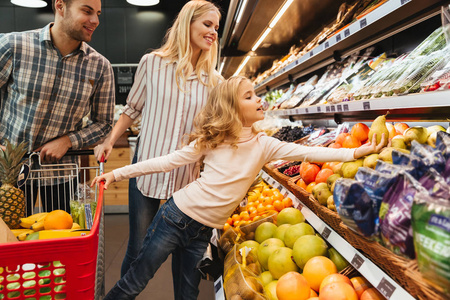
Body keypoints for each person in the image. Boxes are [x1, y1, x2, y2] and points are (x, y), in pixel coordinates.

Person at [91, 76, 387, 300]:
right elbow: (166, 162)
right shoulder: (213, 140)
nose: (259, 99)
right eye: (249, 96)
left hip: (202, 233)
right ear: (232, 107)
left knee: (187, 292)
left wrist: (355, 153)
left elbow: (311, 154)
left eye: (256, 94)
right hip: (175, 217)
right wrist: (117, 174)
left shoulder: (264, 144)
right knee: (138, 279)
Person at [93, 0, 223, 278]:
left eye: (216, 27)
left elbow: (214, 129)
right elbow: (132, 109)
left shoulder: (215, 82)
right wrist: (109, 140)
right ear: (187, 23)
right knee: (139, 247)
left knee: (184, 249)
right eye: (207, 24)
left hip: (187, 175)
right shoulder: (152, 64)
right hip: (147, 166)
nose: (213, 32)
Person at [0, 0, 115, 214]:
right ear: (60, 6)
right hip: (8, 172)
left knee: (61, 242)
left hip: (61, 174)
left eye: (98, 13)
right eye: (87, 11)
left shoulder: (100, 67)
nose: (95, 21)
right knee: (9, 242)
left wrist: (67, 141)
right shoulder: (14, 46)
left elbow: (104, 124)